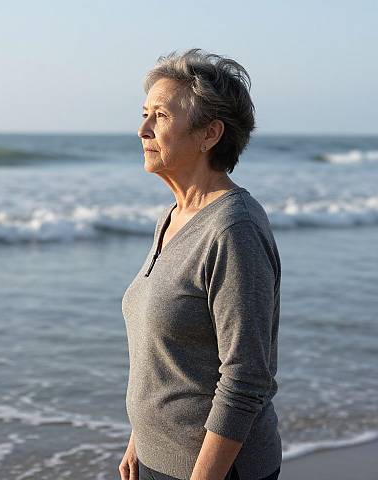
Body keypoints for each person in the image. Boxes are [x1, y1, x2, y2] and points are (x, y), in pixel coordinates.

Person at [119, 49, 282, 480]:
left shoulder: (233, 229)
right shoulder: (171, 218)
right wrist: (141, 438)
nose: (143, 129)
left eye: (161, 116)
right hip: (158, 459)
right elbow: (172, 354)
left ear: (210, 133)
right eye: (144, 114)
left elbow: (246, 381)